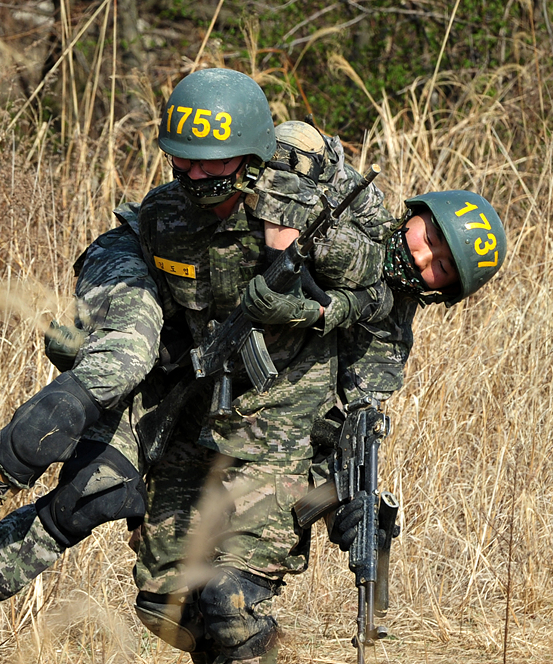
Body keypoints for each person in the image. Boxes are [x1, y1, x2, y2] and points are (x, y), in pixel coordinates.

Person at [0, 72, 389, 664]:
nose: (192, 176)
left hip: (274, 422)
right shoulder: (166, 212)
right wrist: (114, 316)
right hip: (183, 393)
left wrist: (313, 302)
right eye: (181, 161)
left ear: (251, 158)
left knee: (203, 608)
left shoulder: (301, 214)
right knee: (93, 493)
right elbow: (123, 247)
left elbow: (381, 293)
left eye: (210, 165)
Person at [127, 126, 507, 664]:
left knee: (229, 602)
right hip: (197, 409)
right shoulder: (351, 209)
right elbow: (289, 148)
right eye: (433, 239)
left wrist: (343, 505)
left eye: (441, 268)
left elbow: (346, 424)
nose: (425, 259)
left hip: (278, 448)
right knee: (167, 607)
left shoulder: (387, 330)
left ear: (442, 291)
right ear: (417, 212)